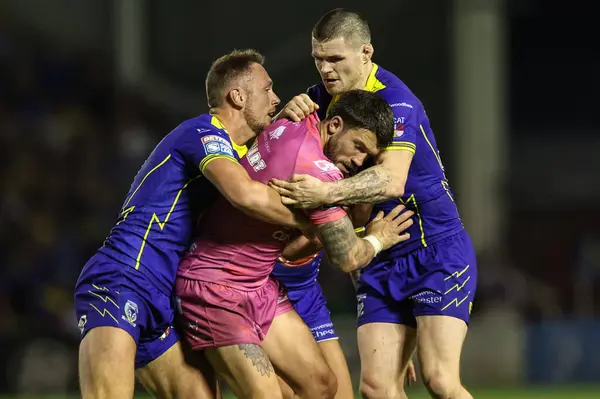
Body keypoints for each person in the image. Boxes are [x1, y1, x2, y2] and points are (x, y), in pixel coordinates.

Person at [74, 49, 310, 399]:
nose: (276, 98)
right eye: (268, 88)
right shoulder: (201, 132)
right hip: (124, 276)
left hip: (165, 295)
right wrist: (318, 220)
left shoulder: (239, 155)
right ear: (238, 96)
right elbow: (243, 194)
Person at [270, 9, 477, 399]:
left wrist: (325, 194)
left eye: (335, 59)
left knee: (439, 380)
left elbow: (391, 179)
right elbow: (278, 154)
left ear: (366, 52)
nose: (325, 69)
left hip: (432, 248)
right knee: (376, 387)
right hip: (379, 256)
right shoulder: (319, 101)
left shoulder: (396, 100)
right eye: (318, 59)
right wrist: (284, 117)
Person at [175, 90, 414, 399]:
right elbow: (347, 258)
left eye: (367, 157)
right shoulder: (318, 175)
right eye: (358, 147)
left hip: (259, 283)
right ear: (335, 125)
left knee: (322, 386)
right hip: (214, 288)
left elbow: (291, 247)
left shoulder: (295, 120)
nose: (358, 161)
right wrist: (378, 238)